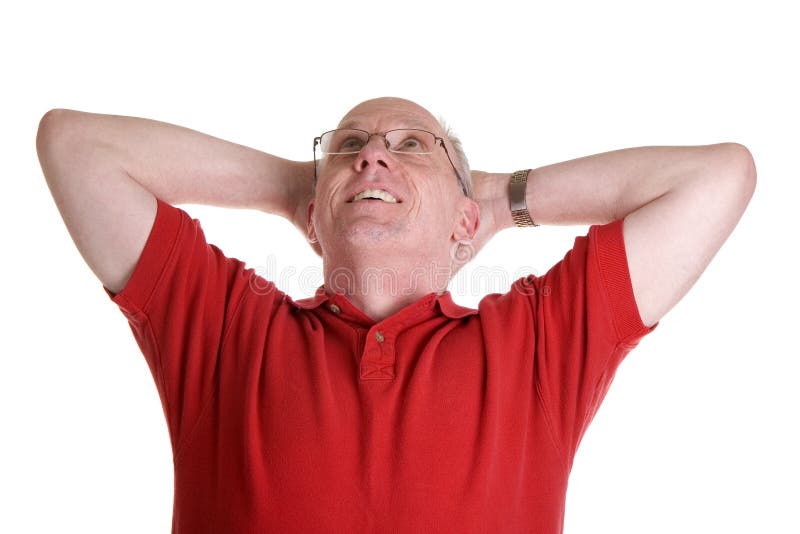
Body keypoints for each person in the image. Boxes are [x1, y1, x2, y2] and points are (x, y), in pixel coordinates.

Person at [36, 97, 756, 533]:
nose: (374, 155)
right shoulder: (225, 331)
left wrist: (503, 200)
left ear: (465, 217)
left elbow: (717, 177)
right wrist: (305, 187)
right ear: (312, 222)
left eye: (413, 147)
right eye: (349, 146)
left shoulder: (538, 345)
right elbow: (75, 145)